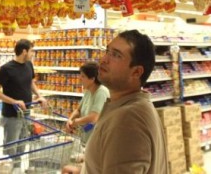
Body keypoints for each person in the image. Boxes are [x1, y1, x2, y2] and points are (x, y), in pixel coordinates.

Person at [63, 30, 169, 174]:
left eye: (116, 55)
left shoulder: (128, 120)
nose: (104, 59)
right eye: (107, 51)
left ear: (136, 72)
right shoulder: (127, 107)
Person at [0, 39, 46, 152]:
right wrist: (14, 101)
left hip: (26, 113)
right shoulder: (6, 69)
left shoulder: (29, 65)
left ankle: (17, 170)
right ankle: (9, 169)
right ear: (24, 51)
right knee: (10, 149)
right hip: (11, 116)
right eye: (32, 51)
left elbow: (30, 82)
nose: (33, 54)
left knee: (22, 147)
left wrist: (39, 95)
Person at [64, 61, 109, 145]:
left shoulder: (101, 92)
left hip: (97, 142)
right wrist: (70, 120)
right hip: (86, 139)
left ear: (92, 79)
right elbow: (78, 110)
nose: (79, 78)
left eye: (83, 76)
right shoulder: (88, 91)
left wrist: (76, 122)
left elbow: (94, 117)